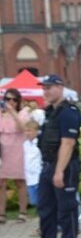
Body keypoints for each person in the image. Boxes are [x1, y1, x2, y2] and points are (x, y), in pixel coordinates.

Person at [25, 74, 81, 238]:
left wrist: (59, 171)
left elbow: (67, 143)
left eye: (49, 87)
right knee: (46, 208)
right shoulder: (50, 111)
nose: (45, 91)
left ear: (60, 87)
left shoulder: (68, 112)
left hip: (64, 166)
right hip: (48, 165)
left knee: (66, 208)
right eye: (44, 88)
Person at [0, 88, 30, 223]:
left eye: (14, 99)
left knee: (19, 181)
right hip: (3, 149)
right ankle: (1, 213)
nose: (10, 102)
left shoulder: (23, 113)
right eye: (8, 99)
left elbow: (23, 128)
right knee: (1, 181)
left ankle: (23, 212)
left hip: (18, 148)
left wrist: (12, 112)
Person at [23, 120, 42, 208]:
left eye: (29, 130)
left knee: (42, 201)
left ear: (36, 131)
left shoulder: (40, 143)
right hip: (29, 178)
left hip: (39, 177)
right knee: (35, 201)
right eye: (26, 130)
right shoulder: (25, 144)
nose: (27, 133)